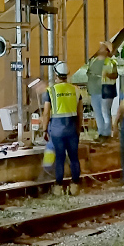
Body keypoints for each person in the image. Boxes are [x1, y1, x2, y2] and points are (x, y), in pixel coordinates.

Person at [40, 62, 83, 195]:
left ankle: (58, 187)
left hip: (57, 130)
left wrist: (44, 129)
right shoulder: (76, 90)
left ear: (56, 74)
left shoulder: (51, 91)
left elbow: (46, 113)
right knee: (74, 157)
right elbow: (80, 112)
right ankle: (75, 186)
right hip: (72, 129)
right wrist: (78, 128)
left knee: (59, 158)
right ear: (67, 74)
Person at [86, 42, 118, 139]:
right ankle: (101, 133)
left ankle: (106, 134)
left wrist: (107, 75)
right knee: (98, 113)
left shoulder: (110, 62)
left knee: (105, 112)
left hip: (106, 91)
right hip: (94, 91)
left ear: (106, 50)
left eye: (101, 47)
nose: (98, 48)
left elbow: (115, 75)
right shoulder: (93, 61)